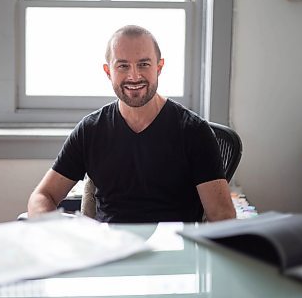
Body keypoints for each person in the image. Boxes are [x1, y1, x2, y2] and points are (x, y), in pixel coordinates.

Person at [28, 25, 236, 223]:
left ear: (159, 67)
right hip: (111, 251)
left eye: (144, 64)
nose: (134, 76)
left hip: (175, 252)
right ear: (108, 72)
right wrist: (52, 231)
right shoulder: (90, 131)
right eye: (123, 66)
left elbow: (222, 216)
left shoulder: (194, 131)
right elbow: (42, 196)